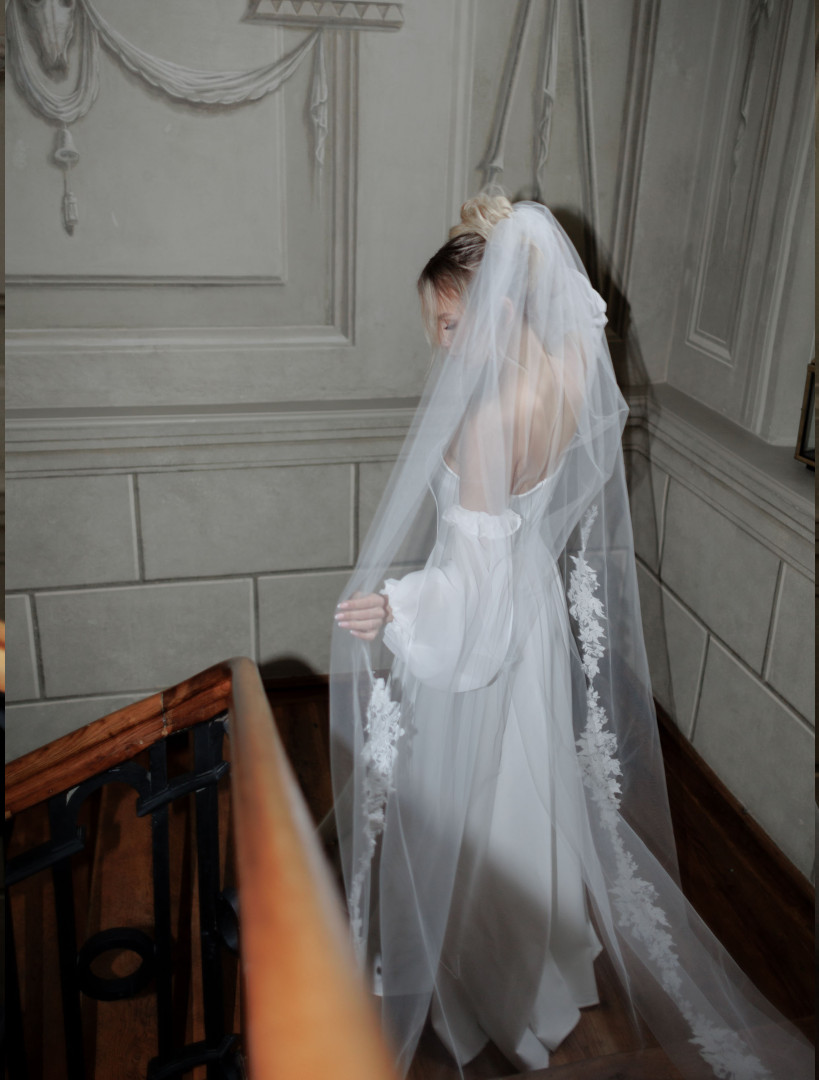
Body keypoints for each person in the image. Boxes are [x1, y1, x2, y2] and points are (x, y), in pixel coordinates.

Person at [328, 195, 813, 1079]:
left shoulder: (482, 423)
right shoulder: (562, 368)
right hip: (535, 612)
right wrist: (514, 231)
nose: (439, 342)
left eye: (447, 320)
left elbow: (467, 591)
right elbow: (580, 315)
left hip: (488, 626)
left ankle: (490, 982)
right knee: (529, 788)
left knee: (475, 802)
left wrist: (397, 607)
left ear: (500, 306)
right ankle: (546, 967)